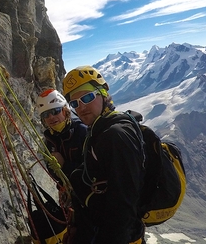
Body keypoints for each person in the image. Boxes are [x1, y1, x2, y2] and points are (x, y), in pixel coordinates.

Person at [62, 66, 146, 244]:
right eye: (75, 103)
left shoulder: (116, 136)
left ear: (102, 93)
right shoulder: (98, 130)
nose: (81, 107)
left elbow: (124, 207)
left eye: (87, 97)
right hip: (99, 229)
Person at [36, 89, 87, 188]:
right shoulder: (50, 139)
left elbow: (94, 170)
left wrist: (64, 165)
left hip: (87, 190)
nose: (51, 117)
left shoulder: (81, 131)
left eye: (55, 111)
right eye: (46, 114)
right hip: (67, 190)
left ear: (65, 111)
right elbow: (52, 170)